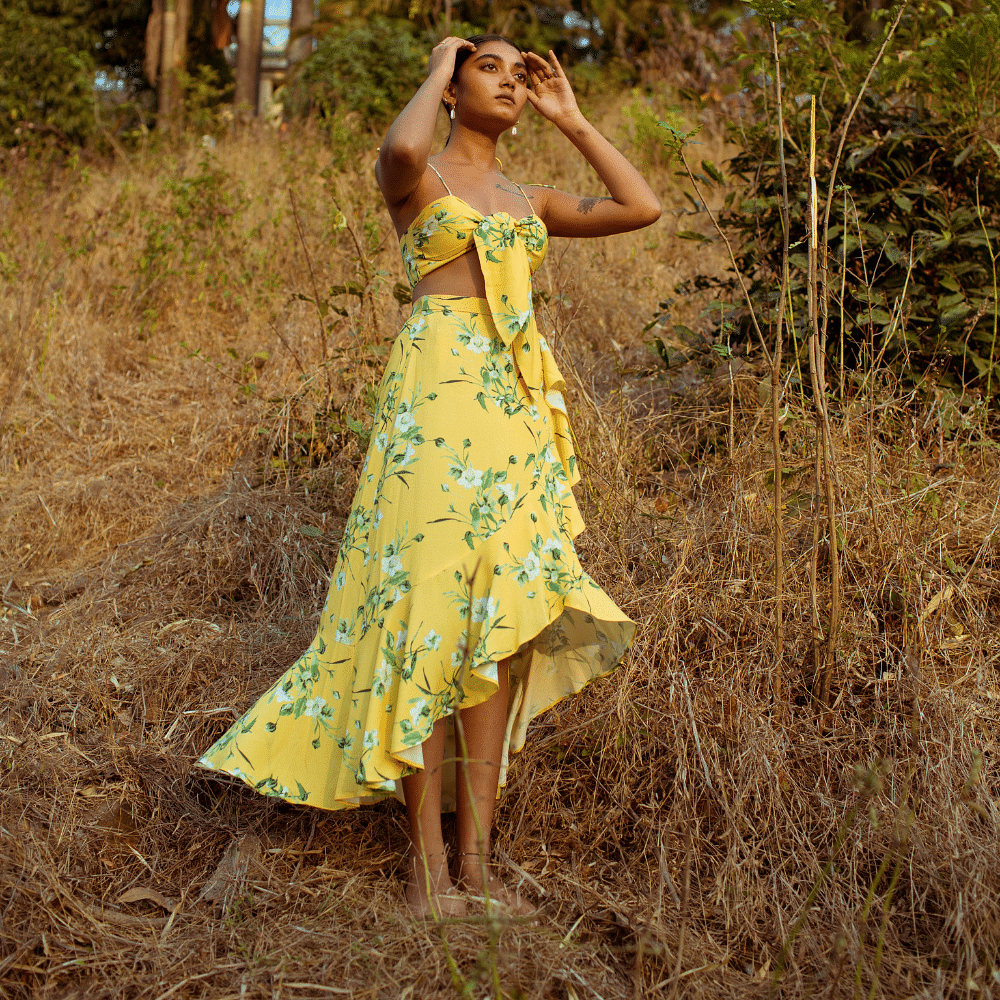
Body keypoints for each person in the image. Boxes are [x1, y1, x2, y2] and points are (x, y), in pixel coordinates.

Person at [198, 34, 660, 919]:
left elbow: (641, 207)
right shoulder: (422, 181)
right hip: (435, 396)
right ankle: (425, 878)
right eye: (492, 69)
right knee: (428, 615)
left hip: (513, 407)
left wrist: (571, 117)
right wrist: (446, 52)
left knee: (499, 626)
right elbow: (400, 148)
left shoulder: (529, 196)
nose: (513, 83)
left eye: (521, 75)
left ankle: (476, 874)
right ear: (451, 89)